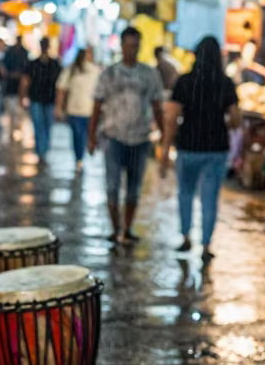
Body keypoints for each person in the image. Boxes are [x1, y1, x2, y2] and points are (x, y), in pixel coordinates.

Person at [160, 36, 239, 262]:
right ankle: (206, 245)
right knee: (209, 198)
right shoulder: (225, 83)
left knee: (185, 193)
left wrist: (165, 149)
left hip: (188, 146)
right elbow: (235, 118)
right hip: (216, 148)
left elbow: (171, 118)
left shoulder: (184, 82)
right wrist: (222, 120)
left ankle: (186, 237)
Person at [88, 26, 164, 244]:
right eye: (129, 46)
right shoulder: (109, 74)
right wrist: (91, 136)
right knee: (112, 186)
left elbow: (157, 106)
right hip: (113, 137)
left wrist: (163, 136)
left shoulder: (149, 74)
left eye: (136, 46)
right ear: (122, 46)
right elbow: (96, 106)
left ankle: (127, 228)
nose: (132, 50)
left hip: (140, 138)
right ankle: (115, 228)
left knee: (133, 189)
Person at [55, 47, 101, 171]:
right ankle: (79, 158)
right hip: (75, 110)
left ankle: (80, 158)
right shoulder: (71, 70)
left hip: (88, 110)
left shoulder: (95, 70)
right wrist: (59, 107)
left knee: (82, 135)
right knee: (78, 135)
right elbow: (61, 89)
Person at [20, 38, 61, 161]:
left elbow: (60, 85)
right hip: (36, 99)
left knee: (47, 125)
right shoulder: (33, 63)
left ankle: (44, 149)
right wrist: (23, 96)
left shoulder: (55, 64)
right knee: (38, 125)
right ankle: (40, 150)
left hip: (49, 99)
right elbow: (25, 81)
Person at [2, 38, 29, 138]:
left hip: (19, 86)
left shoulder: (23, 52)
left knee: (18, 110)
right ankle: (13, 128)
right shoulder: (10, 52)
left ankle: (16, 128)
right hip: (11, 86)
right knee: (12, 109)